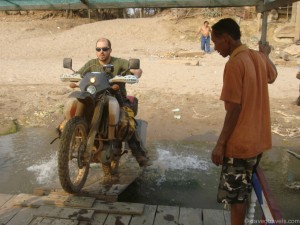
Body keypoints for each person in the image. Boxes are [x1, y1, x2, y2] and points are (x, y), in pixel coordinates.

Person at [210, 18, 277, 225]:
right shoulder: (256, 56)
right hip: (258, 141)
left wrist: (220, 144)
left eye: (216, 42)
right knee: (244, 191)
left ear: (227, 39)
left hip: (240, 144)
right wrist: (266, 55)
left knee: (236, 198)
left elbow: (234, 108)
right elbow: (273, 75)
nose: (215, 48)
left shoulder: (234, 63)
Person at [62, 37, 150, 167]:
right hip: (94, 98)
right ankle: (65, 150)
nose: (101, 52)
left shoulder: (119, 62)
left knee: (126, 123)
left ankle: (140, 155)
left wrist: (134, 76)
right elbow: (80, 74)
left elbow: (137, 70)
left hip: (117, 98)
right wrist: (73, 77)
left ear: (110, 50)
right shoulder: (91, 64)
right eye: (98, 49)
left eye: (104, 49)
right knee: (65, 122)